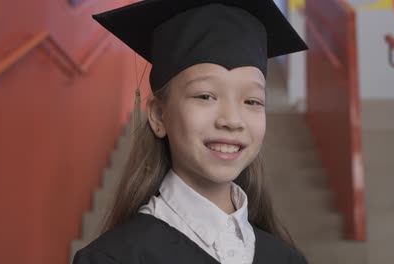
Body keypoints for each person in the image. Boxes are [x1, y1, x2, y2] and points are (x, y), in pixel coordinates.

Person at [73, 0, 308, 263]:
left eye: (252, 101)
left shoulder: (286, 259)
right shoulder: (115, 257)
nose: (232, 120)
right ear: (159, 116)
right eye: (205, 96)